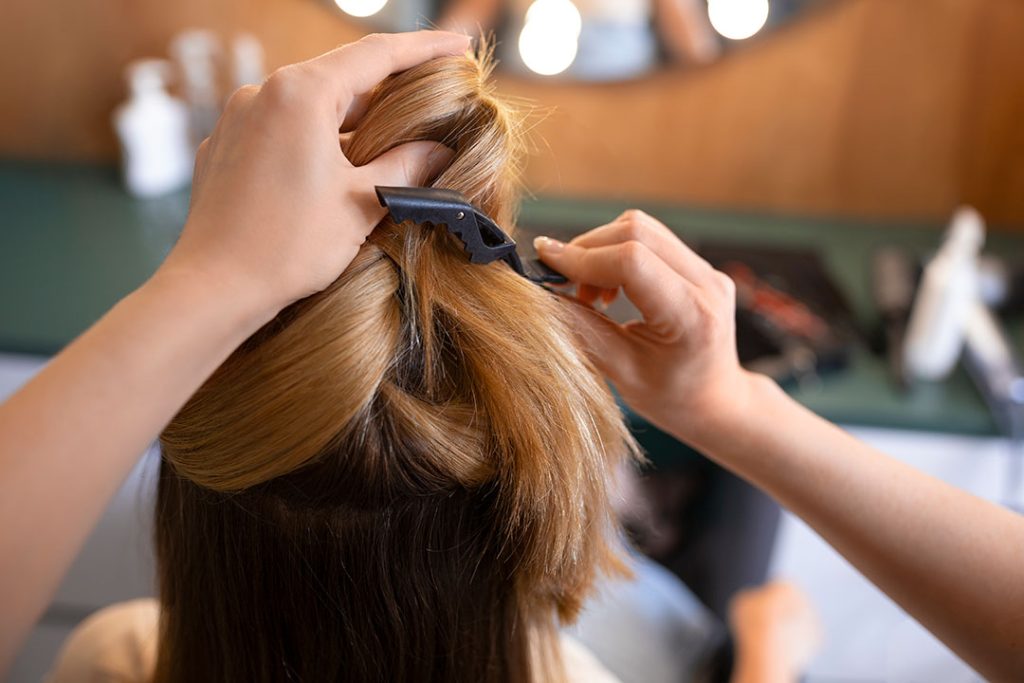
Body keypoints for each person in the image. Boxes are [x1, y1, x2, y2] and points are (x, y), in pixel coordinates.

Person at [0, 28, 1020, 682]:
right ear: (539, 540)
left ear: (189, 517)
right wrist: (769, 646)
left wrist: (202, 287)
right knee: (743, 563)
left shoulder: (112, 655)